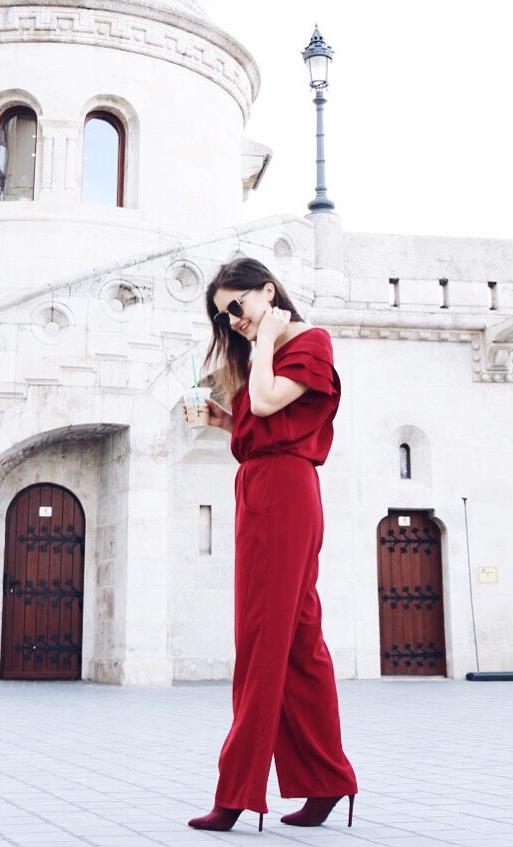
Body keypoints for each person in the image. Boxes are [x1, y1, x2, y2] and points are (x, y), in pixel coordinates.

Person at [186, 257, 358, 833]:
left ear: (267, 290)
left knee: (261, 639)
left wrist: (264, 341)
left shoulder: (308, 342)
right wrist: (220, 420)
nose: (233, 321)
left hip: (284, 493)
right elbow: (259, 420)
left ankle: (237, 793)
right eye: (223, 317)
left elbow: (263, 404)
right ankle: (327, 780)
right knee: (299, 641)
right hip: (263, 489)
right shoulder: (270, 351)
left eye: (236, 306)